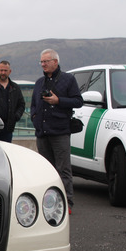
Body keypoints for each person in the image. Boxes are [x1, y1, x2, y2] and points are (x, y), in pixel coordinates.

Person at [30, 49, 83, 213]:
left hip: (60, 132)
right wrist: (35, 118)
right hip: (42, 132)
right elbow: (33, 104)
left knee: (63, 169)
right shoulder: (39, 82)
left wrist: (58, 100)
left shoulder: (68, 79)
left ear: (55, 62)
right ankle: (49, 203)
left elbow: (78, 101)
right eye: (41, 62)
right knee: (47, 170)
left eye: (46, 61)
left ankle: (67, 203)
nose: (43, 64)